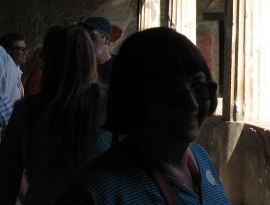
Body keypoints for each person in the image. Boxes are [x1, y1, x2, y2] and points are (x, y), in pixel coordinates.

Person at [57, 27, 229, 204]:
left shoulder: (200, 159)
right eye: (172, 93)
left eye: (199, 87)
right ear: (135, 101)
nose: (192, 104)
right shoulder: (95, 194)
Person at [0, 25, 111, 205]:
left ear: (49, 61)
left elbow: (8, 180)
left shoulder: (26, 111)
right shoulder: (109, 107)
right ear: (89, 59)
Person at [79, 17, 115, 88]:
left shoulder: (120, 65)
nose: (88, 42)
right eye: (85, 37)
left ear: (107, 39)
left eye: (92, 36)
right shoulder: (80, 66)